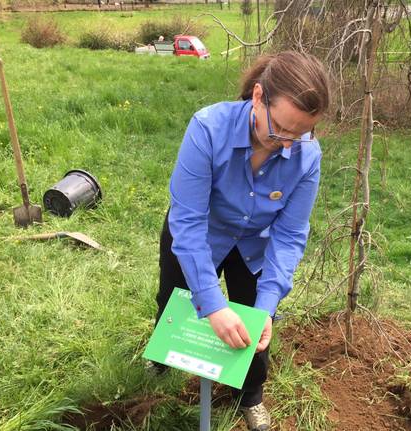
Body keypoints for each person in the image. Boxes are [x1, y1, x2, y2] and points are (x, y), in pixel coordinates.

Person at [151, 51, 330, 431]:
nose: (287, 144)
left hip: (254, 244)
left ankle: (249, 396)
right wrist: (212, 304)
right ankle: (162, 360)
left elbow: (290, 234)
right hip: (198, 234)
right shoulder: (207, 128)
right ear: (258, 97)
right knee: (174, 298)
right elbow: (188, 219)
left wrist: (266, 307)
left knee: (252, 326)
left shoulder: (307, 155)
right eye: (280, 129)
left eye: (299, 134)